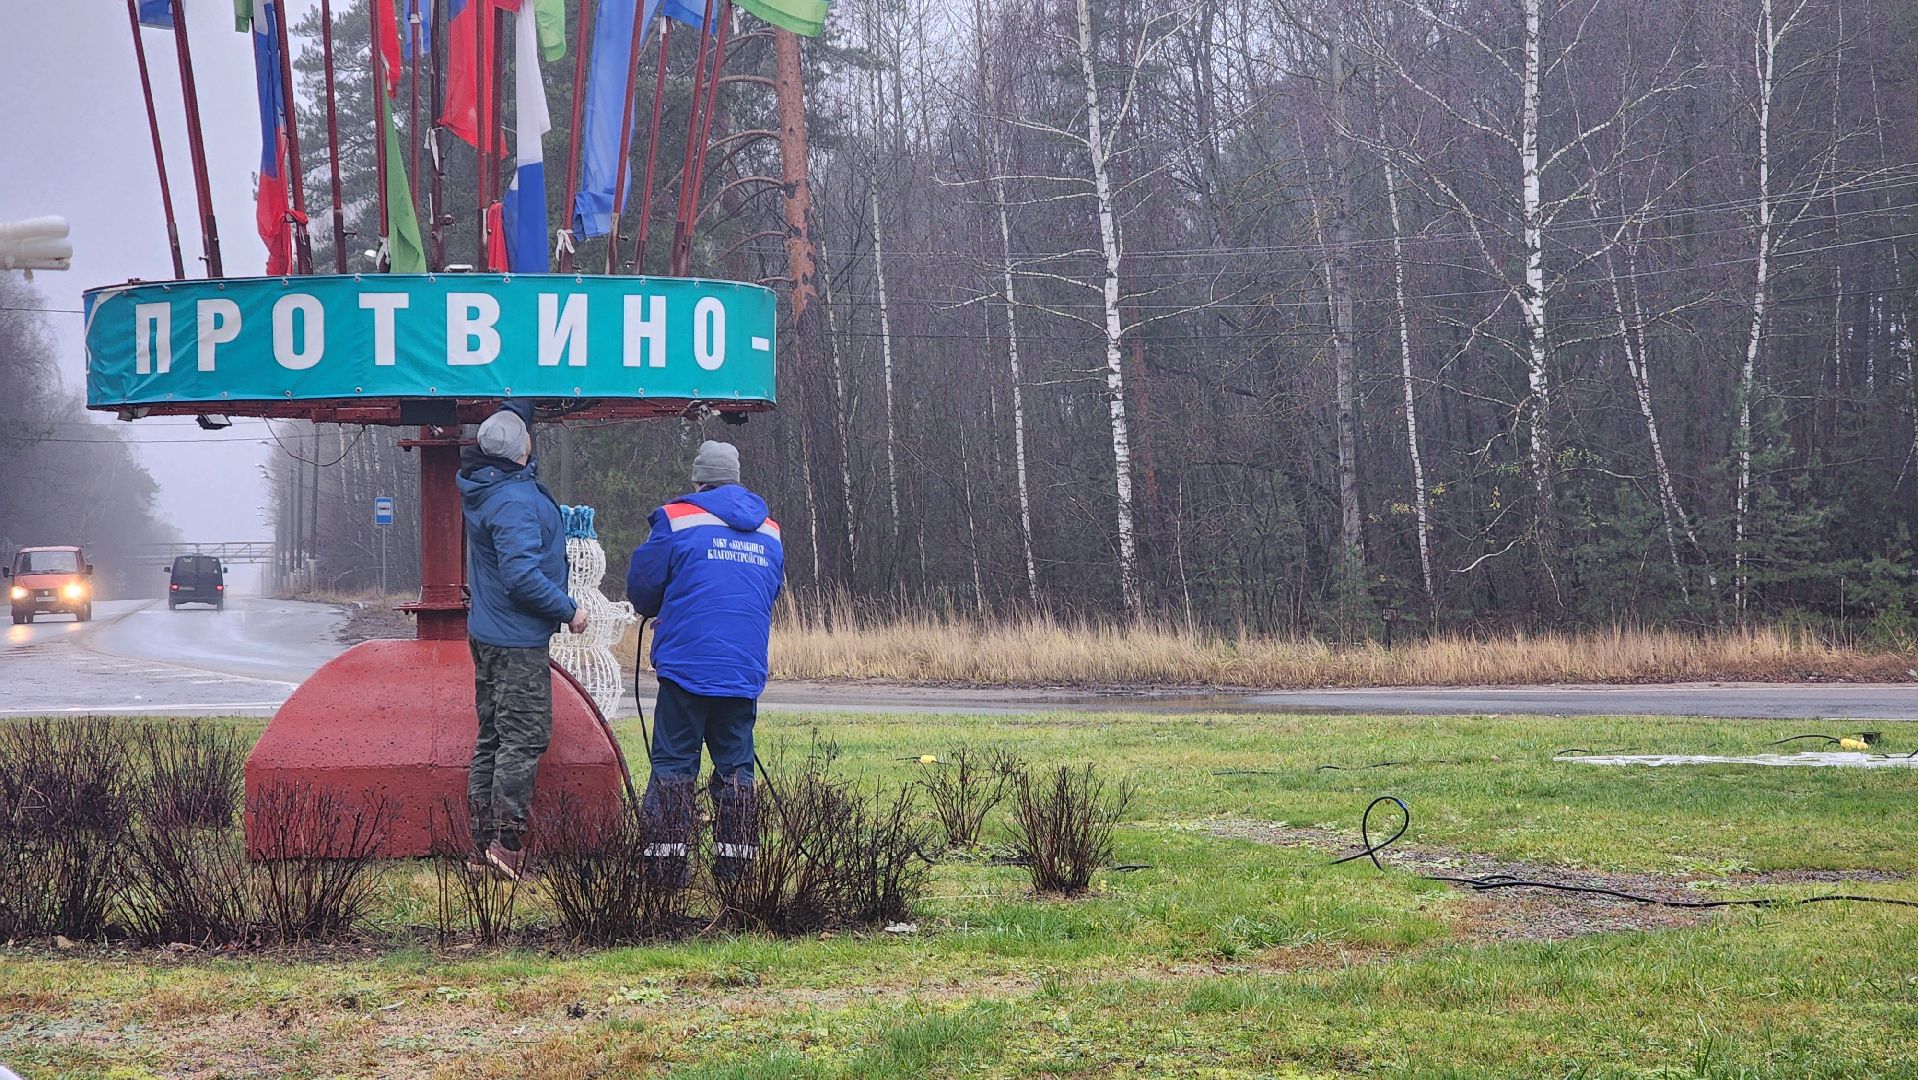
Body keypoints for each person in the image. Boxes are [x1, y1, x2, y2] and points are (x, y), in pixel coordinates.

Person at [625, 440, 784, 883]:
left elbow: (642, 586)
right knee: (736, 768)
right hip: (742, 669)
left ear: (698, 480)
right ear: (735, 478)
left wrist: (663, 608)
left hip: (687, 666)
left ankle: (665, 868)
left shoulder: (677, 519)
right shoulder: (769, 530)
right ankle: (738, 869)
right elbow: (769, 591)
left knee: (675, 764)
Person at [458, 401, 588, 880]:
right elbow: (520, 576)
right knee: (523, 737)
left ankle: (480, 843)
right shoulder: (513, 500)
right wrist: (568, 609)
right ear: (520, 450)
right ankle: (505, 846)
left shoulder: (490, 488)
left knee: (492, 735)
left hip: (491, 633)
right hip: (516, 640)